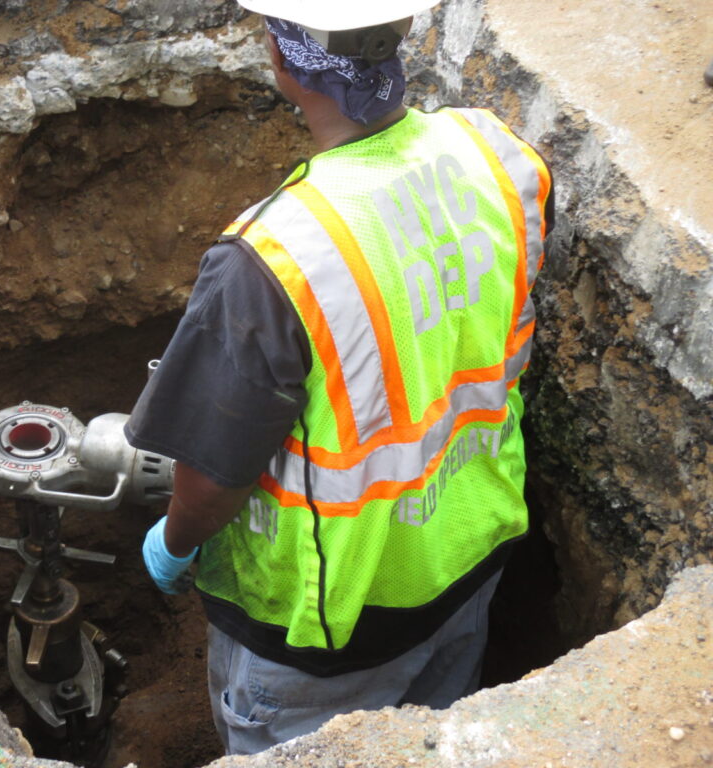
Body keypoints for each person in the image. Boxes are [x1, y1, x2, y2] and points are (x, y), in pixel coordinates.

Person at [125, 0, 554, 755]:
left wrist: (176, 540)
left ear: (281, 59)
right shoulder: (498, 155)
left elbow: (212, 477)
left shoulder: (273, 257)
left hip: (330, 629)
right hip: (469, 556)